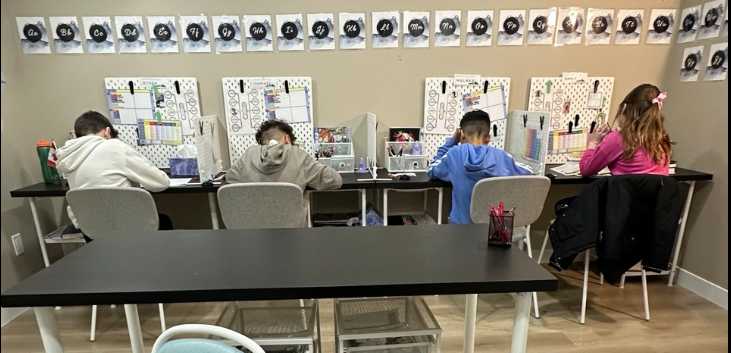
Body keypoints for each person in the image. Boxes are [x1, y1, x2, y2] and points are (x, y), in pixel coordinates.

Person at [56, 111, 172, 234]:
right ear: (107, 132)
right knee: (164, 221)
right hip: (130, 229)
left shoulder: (67, 155)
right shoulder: (114, 146)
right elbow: (161, 182)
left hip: (92, 232)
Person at [226, 120, 343, 225]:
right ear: (287, 139)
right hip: (293, 233)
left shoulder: (248, 155)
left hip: (254, 233)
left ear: (262, 144)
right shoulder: (298, 155)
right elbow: (335, 181)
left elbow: (230, 178)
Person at [427, 110, 532, 224]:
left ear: (462, 134)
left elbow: (431, 169)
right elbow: (530, 171)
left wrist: (452, 141)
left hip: (458, 231)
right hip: (492, 231)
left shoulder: (454, 154)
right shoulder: (502, 157)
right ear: (488, 138)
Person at [580, 84, 672, 177]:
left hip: (624, 191)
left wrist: (593, 142)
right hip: (655, 191)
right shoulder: (662, 139)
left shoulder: (618, 139)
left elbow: (585, 169)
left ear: (624, 108)